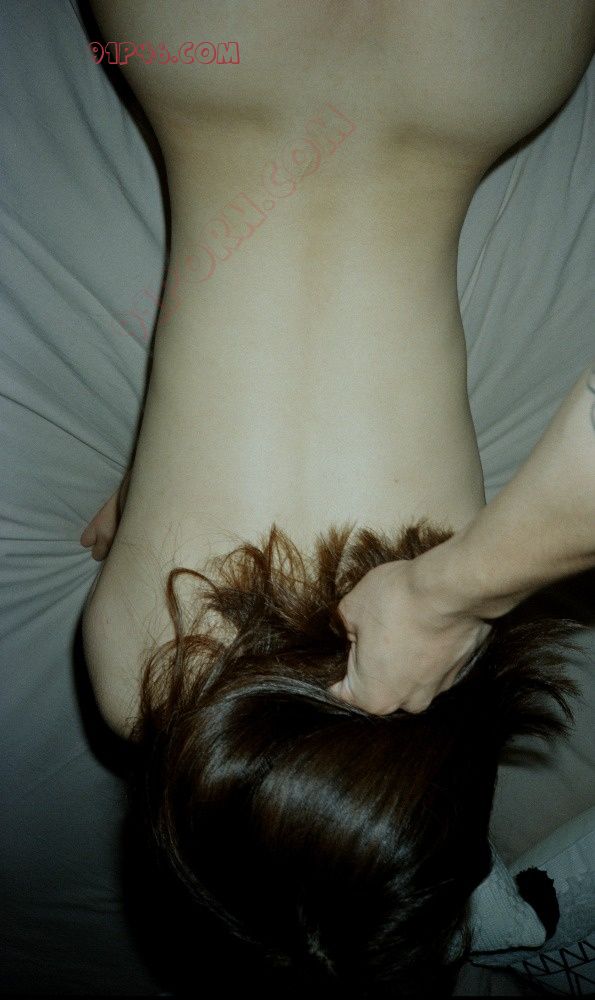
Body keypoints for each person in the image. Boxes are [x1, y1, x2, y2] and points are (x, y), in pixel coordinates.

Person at [80, 1, 595, 994]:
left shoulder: (445, 675)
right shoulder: (132, 688)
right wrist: (447, 594)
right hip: (198, 50)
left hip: (468, 76)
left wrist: (460, 593)